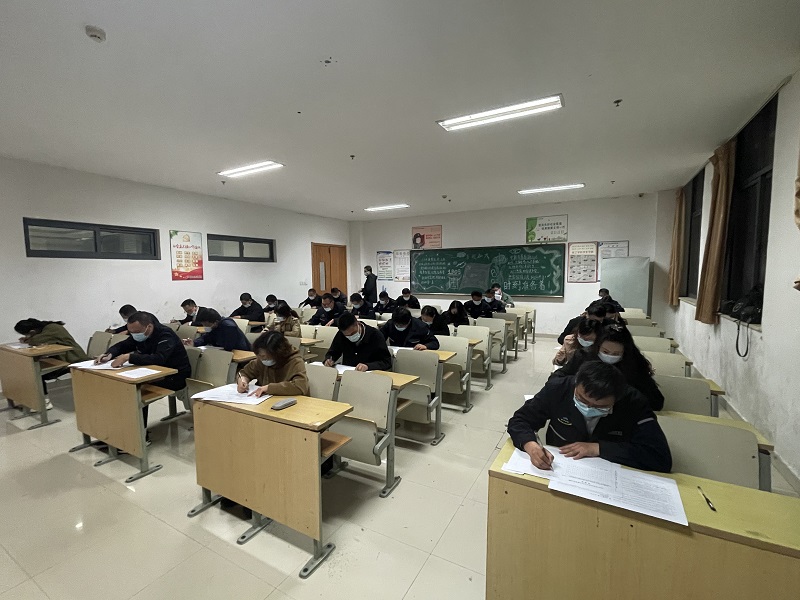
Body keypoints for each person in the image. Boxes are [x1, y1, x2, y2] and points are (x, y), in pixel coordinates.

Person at [508, 361, 672, 473]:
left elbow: (659, 457)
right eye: (582, 400)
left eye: (599, 407)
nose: (588, 408)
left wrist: (598, 448)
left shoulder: (634, 403)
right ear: (576, 384)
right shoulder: (559, 388)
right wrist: (531, 446)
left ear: (617, 399)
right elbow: (520, 420)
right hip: (561, 468)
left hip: (611, 473)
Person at [96, 311, 191, 434]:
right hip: (152, 372)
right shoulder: (139, 333)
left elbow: (159, 358)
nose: (134, 335)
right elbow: (123, 345)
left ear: (149, 327)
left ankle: (140, 435)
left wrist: (129, 357)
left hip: (175, 376)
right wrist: (109, 354)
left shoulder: (165, 335)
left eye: (136, 332)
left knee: (136, 392)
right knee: (124, 388)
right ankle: (120, 432)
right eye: (131, 332)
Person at [552, 325, 665, 411]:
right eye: (605, 352)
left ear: (625, 352)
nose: (610, 356)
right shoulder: (583, 356)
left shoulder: (633, 364)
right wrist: (579, 386)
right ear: (597, 347)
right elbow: (557, 378)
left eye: (616, 354)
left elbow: (656, 402)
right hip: (580, 408)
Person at [15, 318, 89, 409]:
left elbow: (36, 341)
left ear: (32, 331)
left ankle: (45, 402)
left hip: (74, 359)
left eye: (26, 334)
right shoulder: (47, 328)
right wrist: (29, 338)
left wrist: (29, 339)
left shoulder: (53, 328)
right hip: (63, 358)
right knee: (32, 371)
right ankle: (35, 400)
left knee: (37, 374)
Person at [236, 331, 309, 397]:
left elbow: (300, 386)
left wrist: (269, 388)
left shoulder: (295, 361)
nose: (261, 359)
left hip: (290, 401)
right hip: (265, 400)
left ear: (277, 353)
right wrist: (243, 380)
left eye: (263, 356)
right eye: (259, 356)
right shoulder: (261, 361)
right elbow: (244, 373)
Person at [324, 312, 392, 372]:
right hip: (347, 373)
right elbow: (333, 352)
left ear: (358, 324)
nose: (351, 336)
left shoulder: (375, 335)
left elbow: (386, 362)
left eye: (353, 333)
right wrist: (329, 360)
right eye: (347, 336)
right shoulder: (341, 334)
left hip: (369, 374)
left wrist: (368, 366)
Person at [184, 308, 251, 351]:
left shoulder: (229, 327)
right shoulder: (214, 326)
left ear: (215, 322)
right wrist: (194, 343)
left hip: (240, 351)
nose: (205, 327)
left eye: (206, 325)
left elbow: (229, 347)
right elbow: (206, 338)